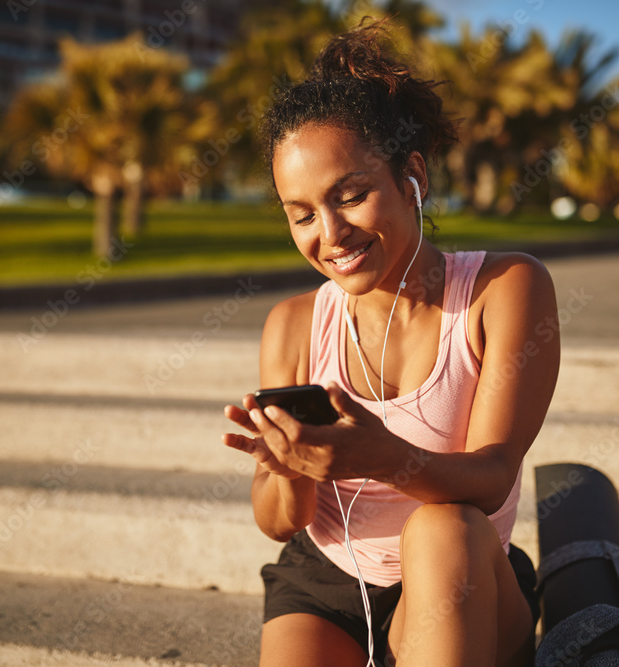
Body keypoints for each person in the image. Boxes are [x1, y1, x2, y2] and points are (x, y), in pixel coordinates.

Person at [222, 20, 560, 667]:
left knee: (443, 525)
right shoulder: (292, 323)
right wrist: (290, 466)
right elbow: (276, 520)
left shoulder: (503, 288)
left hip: (462, 571)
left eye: (351, 196)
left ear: (413, 176)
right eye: (301, 214)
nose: (331, 234)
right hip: (325, 583)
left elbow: (490, 479)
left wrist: (380, 455)